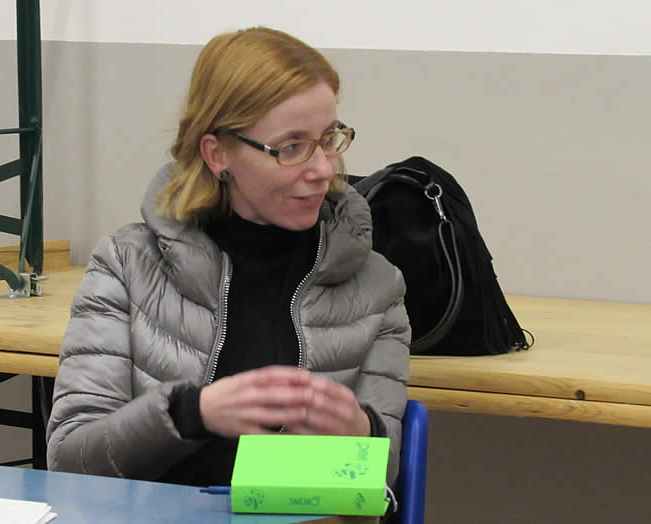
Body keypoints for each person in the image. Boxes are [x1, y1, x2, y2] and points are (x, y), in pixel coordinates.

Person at [46, 27, 410, 492]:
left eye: (328, 139)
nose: (323, 169)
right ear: (218, 154)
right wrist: (191, 414)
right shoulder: (126, 265)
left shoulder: (376, 285)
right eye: (291, 147)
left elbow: (383, 478)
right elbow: (70, 461)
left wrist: (364, 435)